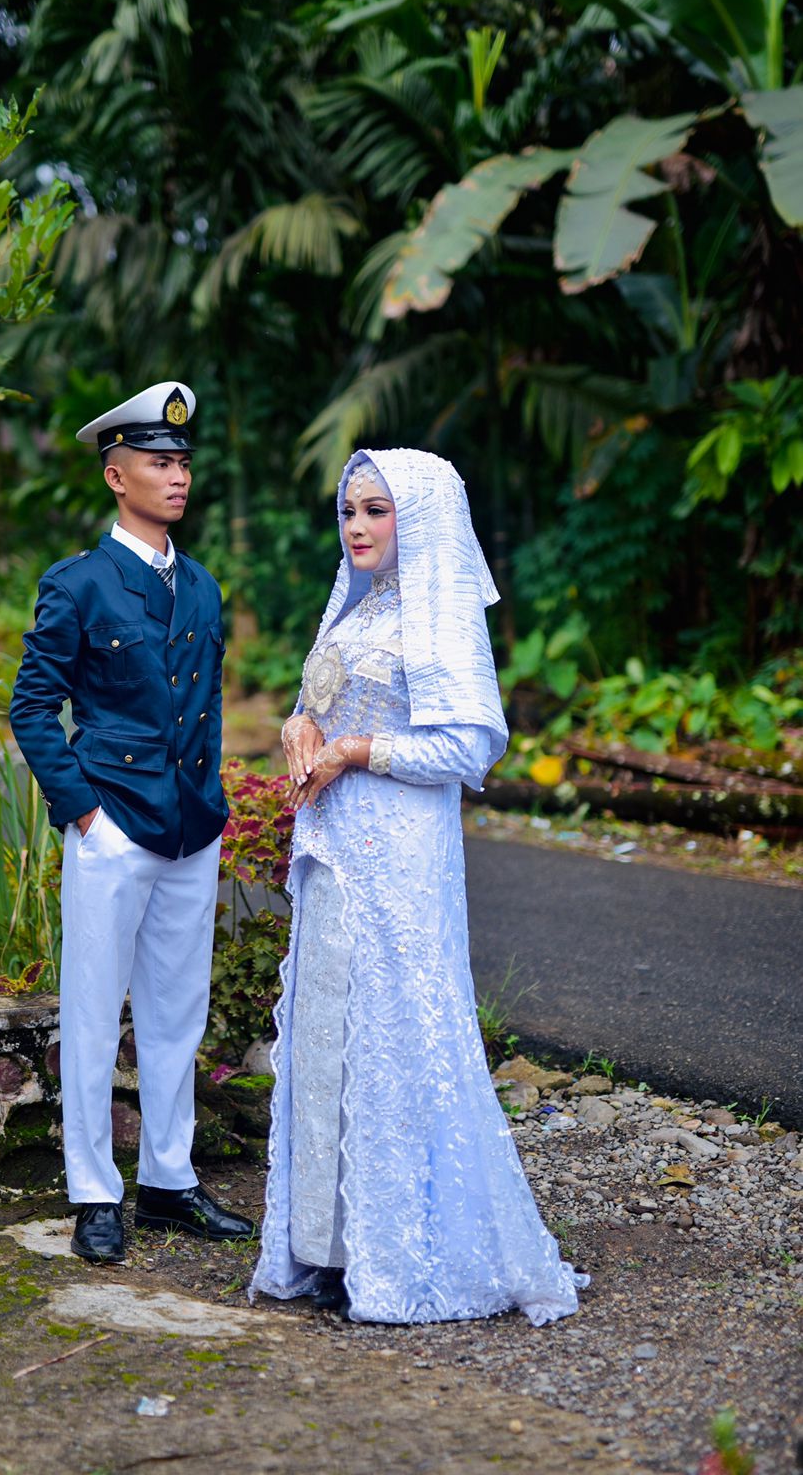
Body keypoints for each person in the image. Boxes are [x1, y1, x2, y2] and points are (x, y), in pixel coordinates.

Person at [250, 448, 588, 1325]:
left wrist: (359, 752)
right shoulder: (357, 609)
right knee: (329, 1035)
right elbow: (324, 702)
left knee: (396, 1037)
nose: (356, 527)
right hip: (333, 855)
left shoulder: (441, 616)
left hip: (399, 859)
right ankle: (328, 1245)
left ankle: (401, 1252)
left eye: (377, 510)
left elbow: (470, 746)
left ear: (421, 518)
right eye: (349, 511)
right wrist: (300, 728)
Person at [10, 381, 256, 1264]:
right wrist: (83, 812)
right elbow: (33, 707)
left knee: (177, 1014)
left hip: (191, 826)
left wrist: (211, 804)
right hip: (112, 825)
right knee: (91, 1011)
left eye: (183, 462)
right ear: (118, 477)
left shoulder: (202, 586)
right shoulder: (79, 584)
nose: (177, 476)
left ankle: (167, 1182)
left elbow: (205, 710)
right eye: (159, 462)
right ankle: (93, 1193)